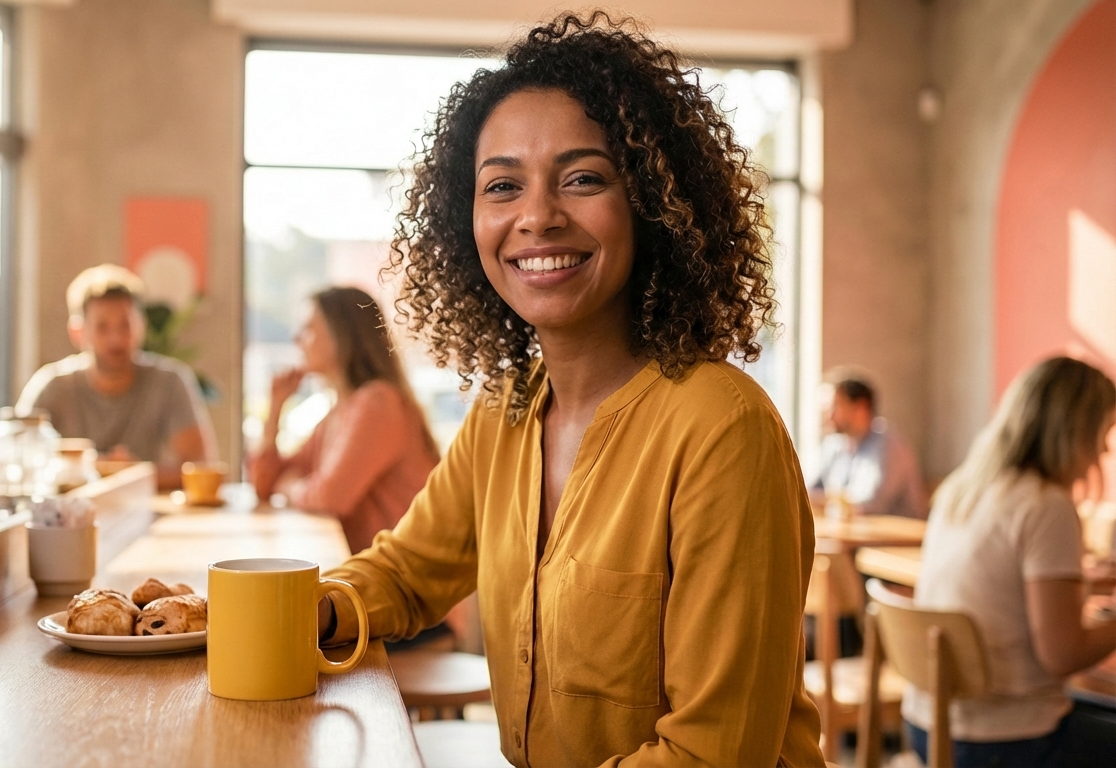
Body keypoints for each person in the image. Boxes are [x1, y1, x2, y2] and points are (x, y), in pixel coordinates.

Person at [317, 13, 824, 767]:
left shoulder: (722, 428)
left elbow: (712, 754)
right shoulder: (507, 409)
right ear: (470, 222)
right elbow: (406, 572)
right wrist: (279, 613)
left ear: (652, 203)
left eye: (583, 179)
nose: (538, 217)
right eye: (502, 187)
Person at [904, 357, 1116, 768]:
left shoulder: (964, 489)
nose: (1105, 448)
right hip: (1002, 742)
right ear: (1073, 430)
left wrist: (1083, 585)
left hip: (928, 726)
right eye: (1103, 432)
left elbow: (1004, 591)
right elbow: (1063, 655)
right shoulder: (1047, 505)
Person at [250, 286, 440, 554]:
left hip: (405, 583)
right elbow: (264, 485)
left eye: (309, 329)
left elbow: (329, 498)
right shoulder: (341, 409)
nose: (297, 339)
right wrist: (275, 408)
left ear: (343, 335)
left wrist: (292, 487)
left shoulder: (378, 403)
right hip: (369, 572)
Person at [16, 264, 218, 490]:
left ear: (142, 326)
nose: (116, 338)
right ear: (77, 332)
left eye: (126, 325)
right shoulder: (52, 386)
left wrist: (134, 474)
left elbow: (200, 467)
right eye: (102, 327)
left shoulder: (169, 382)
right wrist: (86, 470)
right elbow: (15, 461)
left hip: (143, 515)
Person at [810, 369, 928, 519]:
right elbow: (806, 493)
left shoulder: (890, 446)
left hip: (894, 540)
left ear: (861, 408)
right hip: (854, 537)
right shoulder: (834, 444)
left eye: (834, 406)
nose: (827, 415)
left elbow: (869, 506)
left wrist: (828, 500)